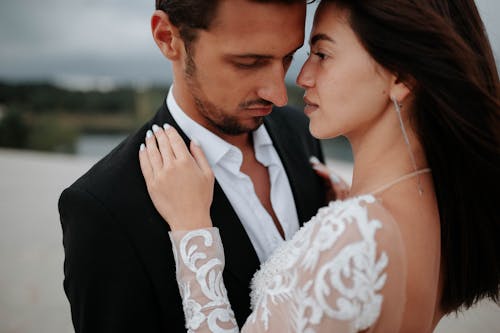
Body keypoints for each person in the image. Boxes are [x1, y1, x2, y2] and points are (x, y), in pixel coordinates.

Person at [139, 0, 500, 331]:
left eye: (322, 54)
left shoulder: (353, 233)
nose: (299, 79)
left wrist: (192, 232)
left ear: (401, 76)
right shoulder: (442, 206)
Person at [58, 0, 328, 332]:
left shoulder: (301, 132)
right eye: (248, 62)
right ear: (167, 37)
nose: (278, 94)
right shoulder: (103, 207)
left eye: (288, 57)